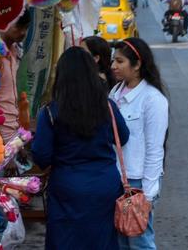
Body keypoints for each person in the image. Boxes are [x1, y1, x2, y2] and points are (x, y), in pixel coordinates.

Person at [32, 47, 129, 250]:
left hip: (67, 187)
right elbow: (124, 136)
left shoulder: (51, 111)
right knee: (102, 241)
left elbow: (41, 155)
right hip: (105, 185)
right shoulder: (108, 106)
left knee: (65, 240)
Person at [109, 38, 169, 250]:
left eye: (120, 61)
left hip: (138, 183)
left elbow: (155, 149)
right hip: (116, 178)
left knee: (140, 242)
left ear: (137, 64)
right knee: (121, 242)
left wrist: (149, 194)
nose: (113, 66)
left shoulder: (153, 99)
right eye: (113, 61)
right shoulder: (114, 93)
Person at [0, 10, 31, 142]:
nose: (23, 32)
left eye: (26, 28)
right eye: (18, 26)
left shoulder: (15, 52)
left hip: (13, 128)